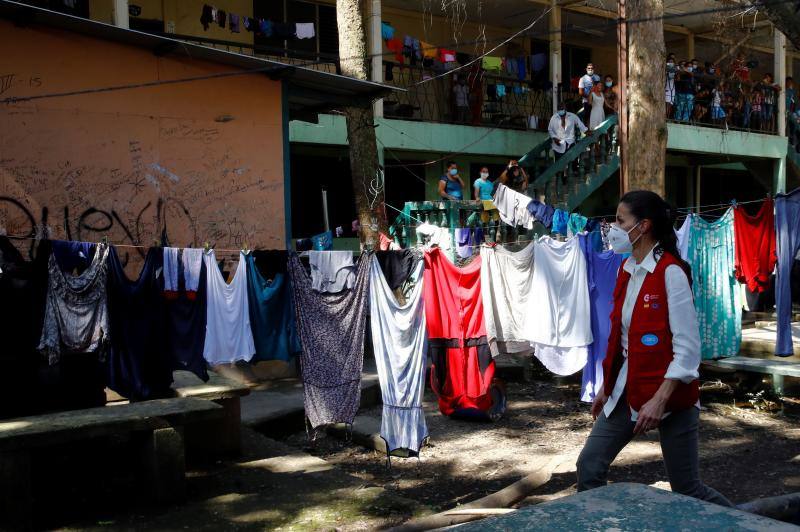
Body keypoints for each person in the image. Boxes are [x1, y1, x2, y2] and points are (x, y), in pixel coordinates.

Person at [576, 190, 733, 508]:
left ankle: (751, 525)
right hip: (627, 389)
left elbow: (688, 349)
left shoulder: (671, 272)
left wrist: (660, 401)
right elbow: (622, 340)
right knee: (589, 466)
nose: (613, 227)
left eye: (620, 221)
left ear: (643, 225)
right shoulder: (626, 269)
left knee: (687, 488)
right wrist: (608, 386)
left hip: (672, 396)